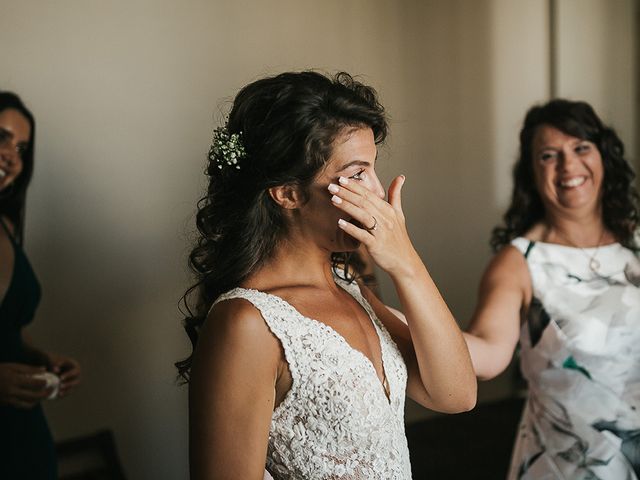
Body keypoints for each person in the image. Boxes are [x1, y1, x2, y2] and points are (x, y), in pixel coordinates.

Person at [178, 71, 477, 480]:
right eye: (356, 174)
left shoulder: (351, 291)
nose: (376, 191)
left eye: (372, 170)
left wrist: (406, 263)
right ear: (288, 193)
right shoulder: (247, 323)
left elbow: (457, 395)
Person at [463, 99, 640, 479]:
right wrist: (390, 307)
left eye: (581, 147)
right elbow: (487, 352)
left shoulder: (636, 246)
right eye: (549, 155)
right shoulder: (519, 262)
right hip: (568, 466)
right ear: (531, 172)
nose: (569, 165)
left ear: (603, 156)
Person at [0, 91, 81, 479]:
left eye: (22, 147)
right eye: (0, 137)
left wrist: (40, 357)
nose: (11, 156)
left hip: (22, 433)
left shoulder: (8, 226)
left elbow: (5, 328)